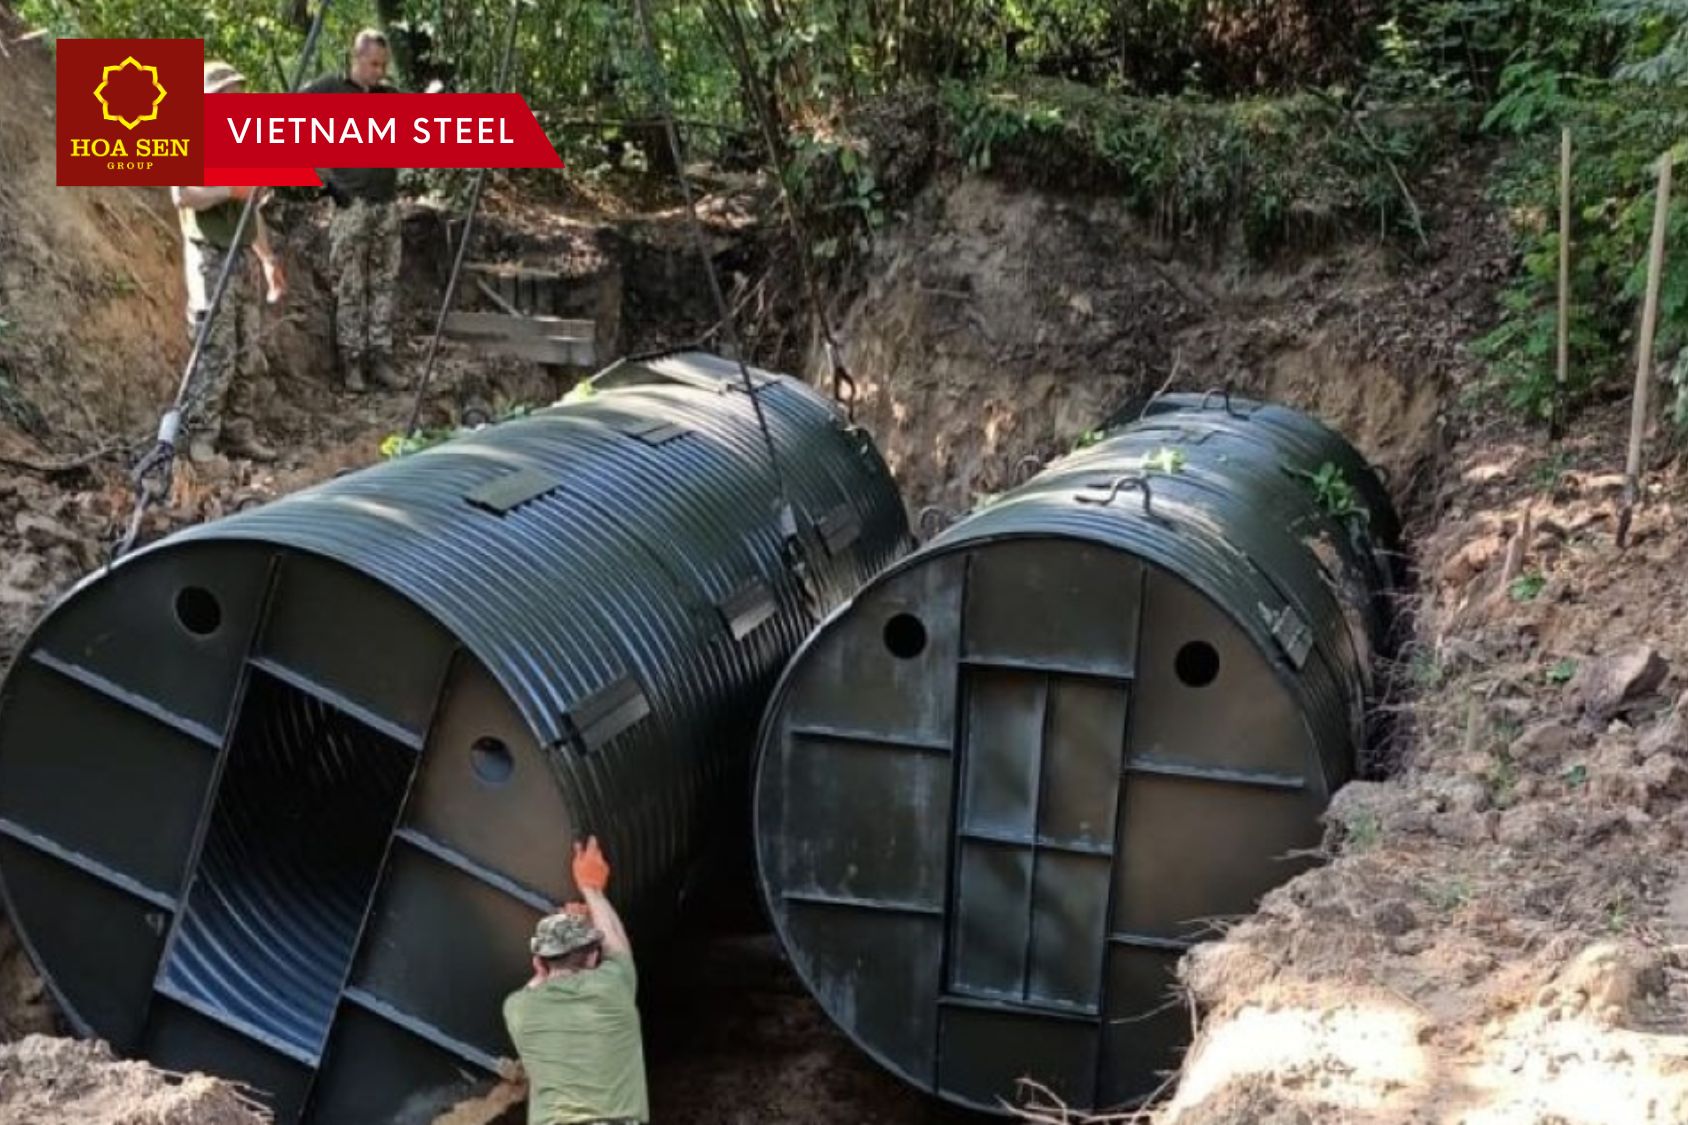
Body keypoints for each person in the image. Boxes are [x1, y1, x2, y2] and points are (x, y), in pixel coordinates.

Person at [170, 62, 286, 463]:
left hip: (242, 258)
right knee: (213, 349)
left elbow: (251, 209)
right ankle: (202, 436)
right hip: (209, 257)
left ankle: (239, 433)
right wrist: (228, 190)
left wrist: (267, 259)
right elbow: (183, 195)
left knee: (247, 350)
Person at [503, 837, 649, 1125]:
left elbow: (536, 983)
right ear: (594, 958)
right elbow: (617, 945)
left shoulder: (517, 1009)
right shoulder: (612, 988)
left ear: (539, 962)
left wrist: (544, 968)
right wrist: (591, 889)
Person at [303, 29, 406, 392]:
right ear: (357, 58)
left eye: (383, 65)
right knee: (350, 284)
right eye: (373, 64)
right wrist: (325, 182)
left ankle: (381, 356)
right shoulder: (329, 89)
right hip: (351, 205)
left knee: (384, 282)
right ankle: (352, 362)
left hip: (385, 203)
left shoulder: (389, 96)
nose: (379, 71)